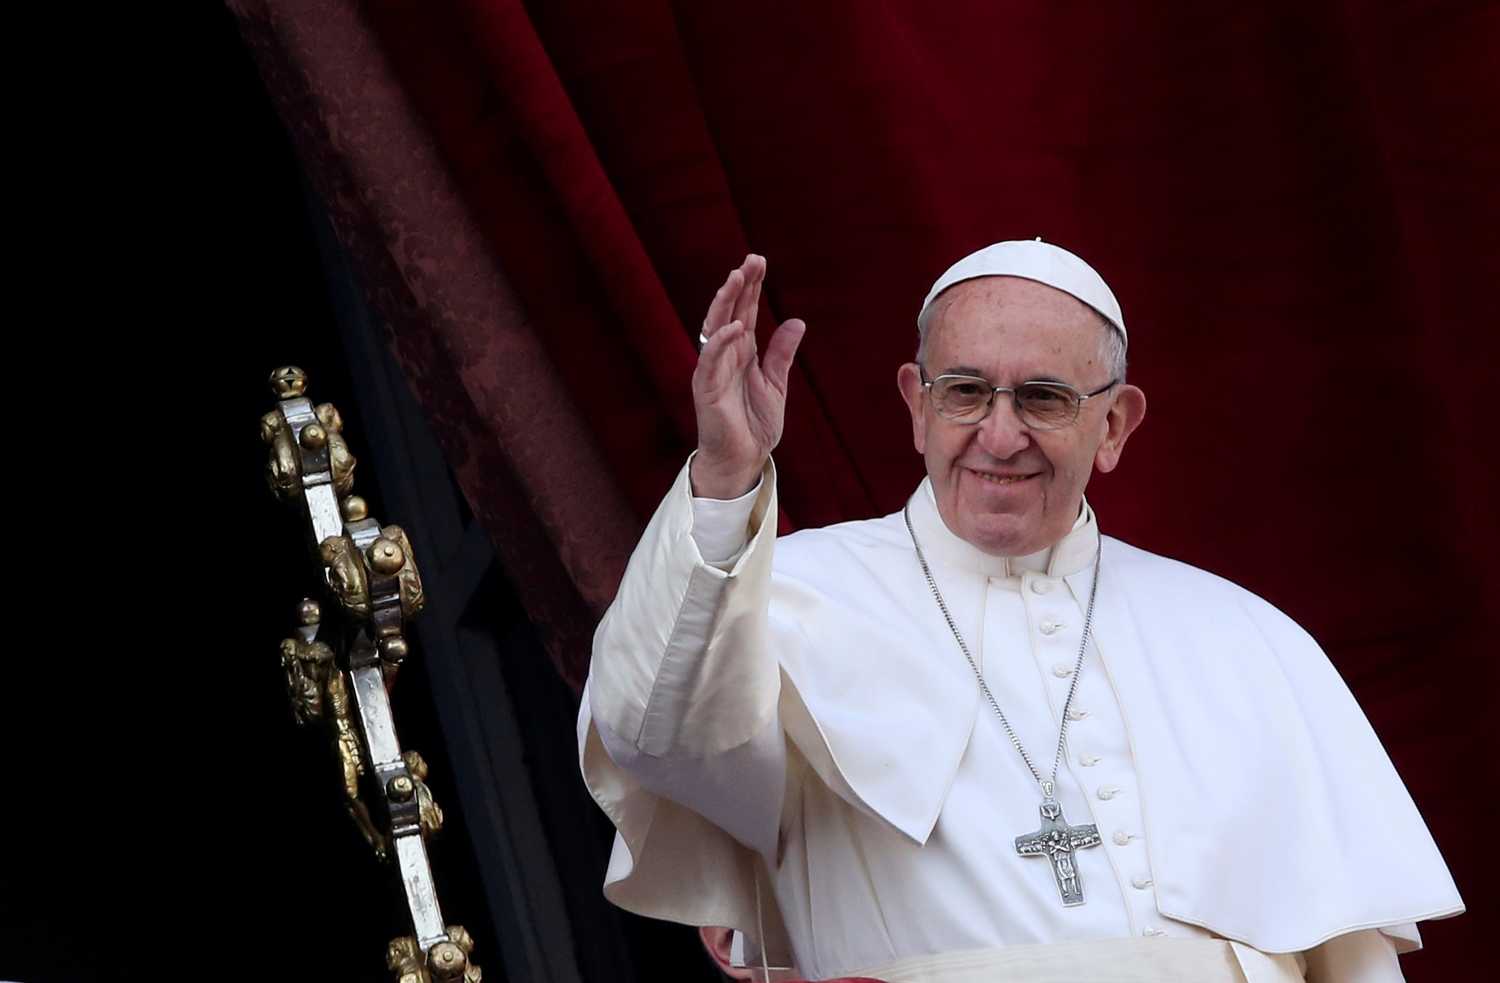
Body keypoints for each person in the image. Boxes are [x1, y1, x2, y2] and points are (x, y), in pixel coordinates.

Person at [577, 242, 1463, 982]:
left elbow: (1352, 959)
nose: (1000, 436)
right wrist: (725, 482)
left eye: (1044, 398)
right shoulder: (783, 597)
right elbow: (657, 733)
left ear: (1114, 425)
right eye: (964, 391)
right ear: (915, 405)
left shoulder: (1247, 641)